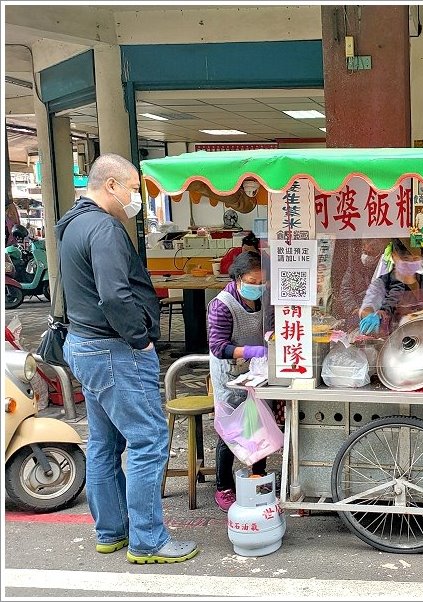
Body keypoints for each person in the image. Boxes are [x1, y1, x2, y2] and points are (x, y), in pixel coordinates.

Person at [57, 153, 198, 564]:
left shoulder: (73, 224)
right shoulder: (103, 229)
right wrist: (140, 340)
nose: (137, 197)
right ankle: (148, 540)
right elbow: (114, 295)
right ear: (112, 185)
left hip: (84, 345)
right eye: (135, 189)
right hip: (114, 350)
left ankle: (111, 531)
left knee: (103, 443)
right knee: (149, 440)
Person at [207, 251, 269, 512]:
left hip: (256, 373)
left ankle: (258, 477)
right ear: (238, 278)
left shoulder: (263, 299)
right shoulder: (222, 305)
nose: (257, 287)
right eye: (252, 282)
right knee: (230, 432)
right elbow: (218, 346)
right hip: (230, 375)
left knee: (258, 425)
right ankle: (223, 487)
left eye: (261, 283)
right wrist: (252, 350)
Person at [358, 238, 423, 335]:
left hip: (421, 339)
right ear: (394, 257)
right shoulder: (382, 283)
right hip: (390, 339)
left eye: (415, 259)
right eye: (406, 259)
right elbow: (368, 306)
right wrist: (370, 316)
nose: (411, 263)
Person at [335, 238, 392, 329]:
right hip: (356, 315)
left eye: (371, 254)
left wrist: (384, 310)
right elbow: (345, 290)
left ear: (379, 254)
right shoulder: (354, 267)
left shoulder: (385, 267)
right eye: (365, 253)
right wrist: (355, 309)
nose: (367, 256)